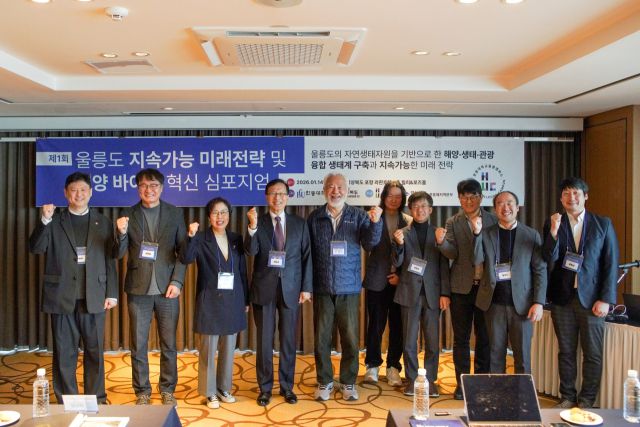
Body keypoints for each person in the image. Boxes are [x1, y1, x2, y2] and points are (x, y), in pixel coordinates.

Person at [29, 172, 117, 404]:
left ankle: (96, 398)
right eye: (74, 190)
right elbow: (36, 248)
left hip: (94, 296)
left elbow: (110, 261)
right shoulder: (54, 220)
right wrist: (44, 221)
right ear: (66, 193)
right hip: (61, 296)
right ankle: (67, 400)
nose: (79, 194)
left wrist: (112, 293)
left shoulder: (103, 222)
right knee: (64, 352)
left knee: (95, 352)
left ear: (91, 193)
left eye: (83, 190)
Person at [542, 177, 618, 409]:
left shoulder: (602, 224)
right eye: (566, 193)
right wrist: (553, 233)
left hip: (592, 299)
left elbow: (610, 263)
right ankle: (567, 396)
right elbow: (547, 259)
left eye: (576, 193)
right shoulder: (554, 223)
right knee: (566, 351)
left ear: (585, 196)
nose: (571, 197)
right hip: (562, 299)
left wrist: (606, 299)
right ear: (561, 198)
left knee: (592, 353)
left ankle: (586, 400)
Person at [307, 173, 383, 401]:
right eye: (331, 187)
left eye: (339, 187)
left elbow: (370, 243)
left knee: (350, 338)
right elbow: (307, 254)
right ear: (324, 190)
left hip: (348, 287)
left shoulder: (358, 215)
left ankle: (348, 381)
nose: (335, 191)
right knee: (321, 339)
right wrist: (307, 286)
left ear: (347, 190)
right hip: (322, 287)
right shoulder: (315, 218)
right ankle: (325, 381)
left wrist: (375, 223)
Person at [116, 168, 187, 406]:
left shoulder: (174, 213)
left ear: (162, 188)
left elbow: (183, 252)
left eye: (154, 185)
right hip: (138, 289)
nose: (149, 190)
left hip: (168, 289)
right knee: (138, 345)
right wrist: (121, 233)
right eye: (144, 185)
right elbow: (118, 253)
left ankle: (167, 389)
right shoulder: (128, 214)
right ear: (138, 188)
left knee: (169, 344)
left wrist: (177, 281)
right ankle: (142, 392)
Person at [245, 179, 312, 406]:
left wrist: (306, 287)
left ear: (288, 196)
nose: (278, 198)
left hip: (291, 288)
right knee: (264, 342)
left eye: (282, 193)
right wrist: (252, 227)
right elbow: (250, 251)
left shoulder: (299, 223)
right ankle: (265, 389)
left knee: (288, 341)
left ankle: (286, 387)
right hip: (264, 288)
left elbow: (306, 257)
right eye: (273, 193)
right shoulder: (259, 222)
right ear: (266, 197)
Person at [181, 197, 249, 409]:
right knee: (208, 350)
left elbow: (242, 272)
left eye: (224, 212)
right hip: (209, 300)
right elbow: (186, 258)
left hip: (233, 300)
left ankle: (224, 388)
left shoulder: (236, 238)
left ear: (229, 215)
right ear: (209, 216)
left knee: (228, 348)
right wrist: (190, 236)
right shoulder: (201, 238)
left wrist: (245, 299)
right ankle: (209, 392)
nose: (220, 216)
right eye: (215, 212)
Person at [472, 191, 546, 374]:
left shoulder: (531, 235)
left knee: (522, 356)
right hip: (493, 304)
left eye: (509, 203)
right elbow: (476, 259)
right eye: (500, 204)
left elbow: (540, 271)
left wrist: (538, 302)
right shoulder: (486, 233)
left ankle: (522, 391)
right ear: (495, 209)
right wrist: (476, 234)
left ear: (517, 207)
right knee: (495, 355)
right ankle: (498, 390)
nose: (505, 207)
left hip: (522, 305)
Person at [435, 178, 495, 400]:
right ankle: (462, 384)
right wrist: (441, 243)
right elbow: (452, 253)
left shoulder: (493, 219)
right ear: (459, 199)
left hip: (486, 288)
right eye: (464, 197)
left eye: (473, 197)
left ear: (481, 197)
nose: (469, 201)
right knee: (461, 338)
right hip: (461, 288)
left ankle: (480, 382)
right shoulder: (453, 221)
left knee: (484, 338)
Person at [392, 191, 450, 397]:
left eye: (424, 206)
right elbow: (397, 262)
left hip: (433, 294)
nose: (420, 210)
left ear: (431, 209)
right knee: (409, 341)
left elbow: (444, 266)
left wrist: (445, 293)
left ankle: (430, 380)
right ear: (410, 210)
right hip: (409, 292)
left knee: (433, 341)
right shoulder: (402, 233)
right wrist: (399, 245)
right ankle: (411, 379)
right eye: (415, 207)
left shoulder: (439, 233)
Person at [362, 181, 411, 387]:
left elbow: (411, 254)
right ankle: (372, 365)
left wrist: (400, 275)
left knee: (398, 326)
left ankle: (393, 367)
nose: (394, 199)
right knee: (375, 325)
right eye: (390, 195)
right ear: (383, 197)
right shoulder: (373, 216)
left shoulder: (409, 221)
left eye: (398, 196)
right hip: (377, 280)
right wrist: (374, 223)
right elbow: (367, 245)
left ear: (403, 199)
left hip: (400, 282)